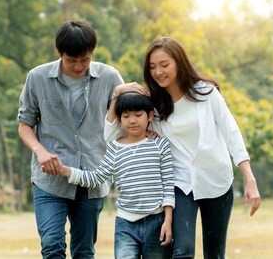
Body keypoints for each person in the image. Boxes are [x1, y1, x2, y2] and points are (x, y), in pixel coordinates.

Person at [106, 37, 261, 259]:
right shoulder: (152, 105)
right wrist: (117, 93)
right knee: (182, 251)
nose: (158, 72)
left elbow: (231, 132)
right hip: (180, 183)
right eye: (152, 67)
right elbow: (112, 135)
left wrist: (250, 178)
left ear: (179, 62)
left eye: (164, 64)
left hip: (216, 180)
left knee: (215, 254)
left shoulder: (206, 93)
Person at [17, 20, 124, 259]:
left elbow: (127, 116)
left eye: (84, 60)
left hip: (92, 179)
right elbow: (25, 125)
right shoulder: (37, 78)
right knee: (52, 247)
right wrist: (40, 151)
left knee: (84, 252)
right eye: (71, 60)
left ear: (92, 54)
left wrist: (132, 92)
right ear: (59, 53)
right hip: (50, 180)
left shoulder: (110, 77)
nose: (78, 66)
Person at [43, 92, 175, 259]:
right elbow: (97, 178)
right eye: (126, 116)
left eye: (138, 115)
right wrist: (65, 170)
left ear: (149, 116)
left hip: (157, 221)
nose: (132, 120)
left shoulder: (159, 144)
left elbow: (168, 183)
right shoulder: (114, 147)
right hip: (125, 224)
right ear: (119, 120)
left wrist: (168, 220)